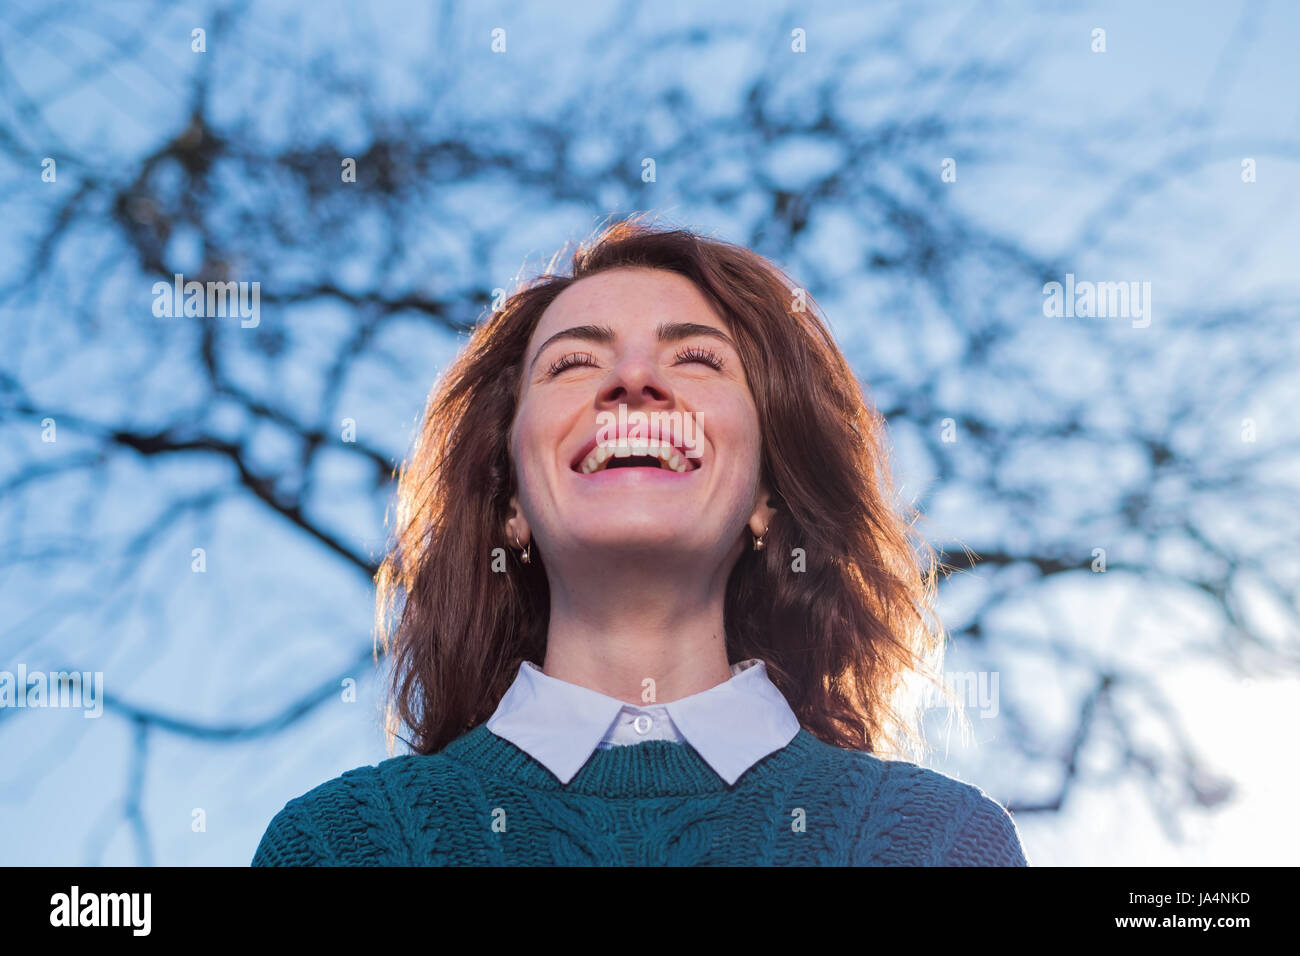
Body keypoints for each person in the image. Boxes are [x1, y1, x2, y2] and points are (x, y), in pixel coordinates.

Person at [252, 216, 1029, 866]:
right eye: (572, 362)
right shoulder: (340, 845)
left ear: (766, 496)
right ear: (511, 501)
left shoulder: (936, 843)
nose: (631, 379)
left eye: (695, 357)